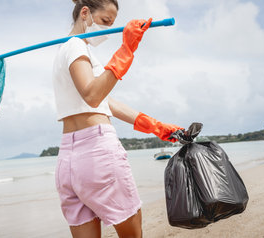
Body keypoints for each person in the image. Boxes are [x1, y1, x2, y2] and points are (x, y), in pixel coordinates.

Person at [52, 0, 183, 237]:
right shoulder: (76, 46)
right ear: (85, 13)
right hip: (96, 153)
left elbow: (104, 102)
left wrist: (155, 126)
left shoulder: (64, 50)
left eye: (112, 24)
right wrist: (127, 49)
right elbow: (93, 96)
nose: (107, 29)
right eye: (104, 21)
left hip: (67, 162)